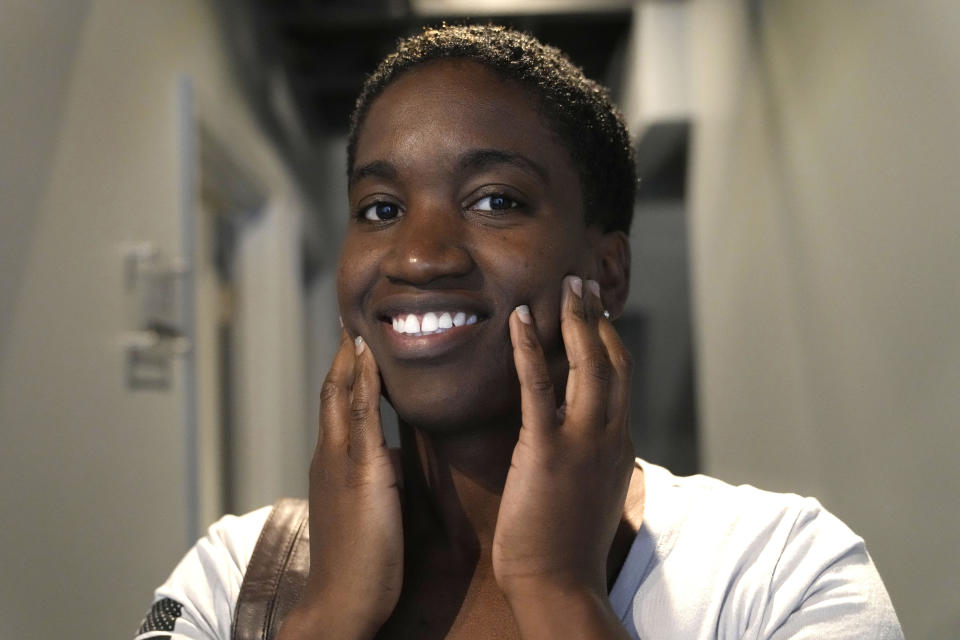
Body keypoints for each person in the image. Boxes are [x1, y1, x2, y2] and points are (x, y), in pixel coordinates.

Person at [135, 25, 903, 639]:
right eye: (379, 208)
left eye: (496, 200)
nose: (417, 255)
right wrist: (329, 618)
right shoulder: (234, 577)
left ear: (608, 270)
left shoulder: (778, 571)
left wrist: (558, 592)